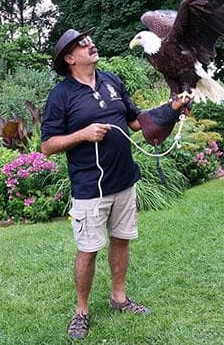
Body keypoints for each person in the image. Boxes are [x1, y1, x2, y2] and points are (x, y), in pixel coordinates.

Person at [41, 28, 188, 340]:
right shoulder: (61, 96)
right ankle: (81, 311)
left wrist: (171, 109)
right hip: (90, 188)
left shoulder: (111, 81)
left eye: (89, 40)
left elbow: (136, 121)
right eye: (82, 44)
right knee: (88, 250)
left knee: (121, 240)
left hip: (124, 181)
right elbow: (48, 145)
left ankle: (118, 298)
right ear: (69, 58)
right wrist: (83, 134)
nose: (90, 44)